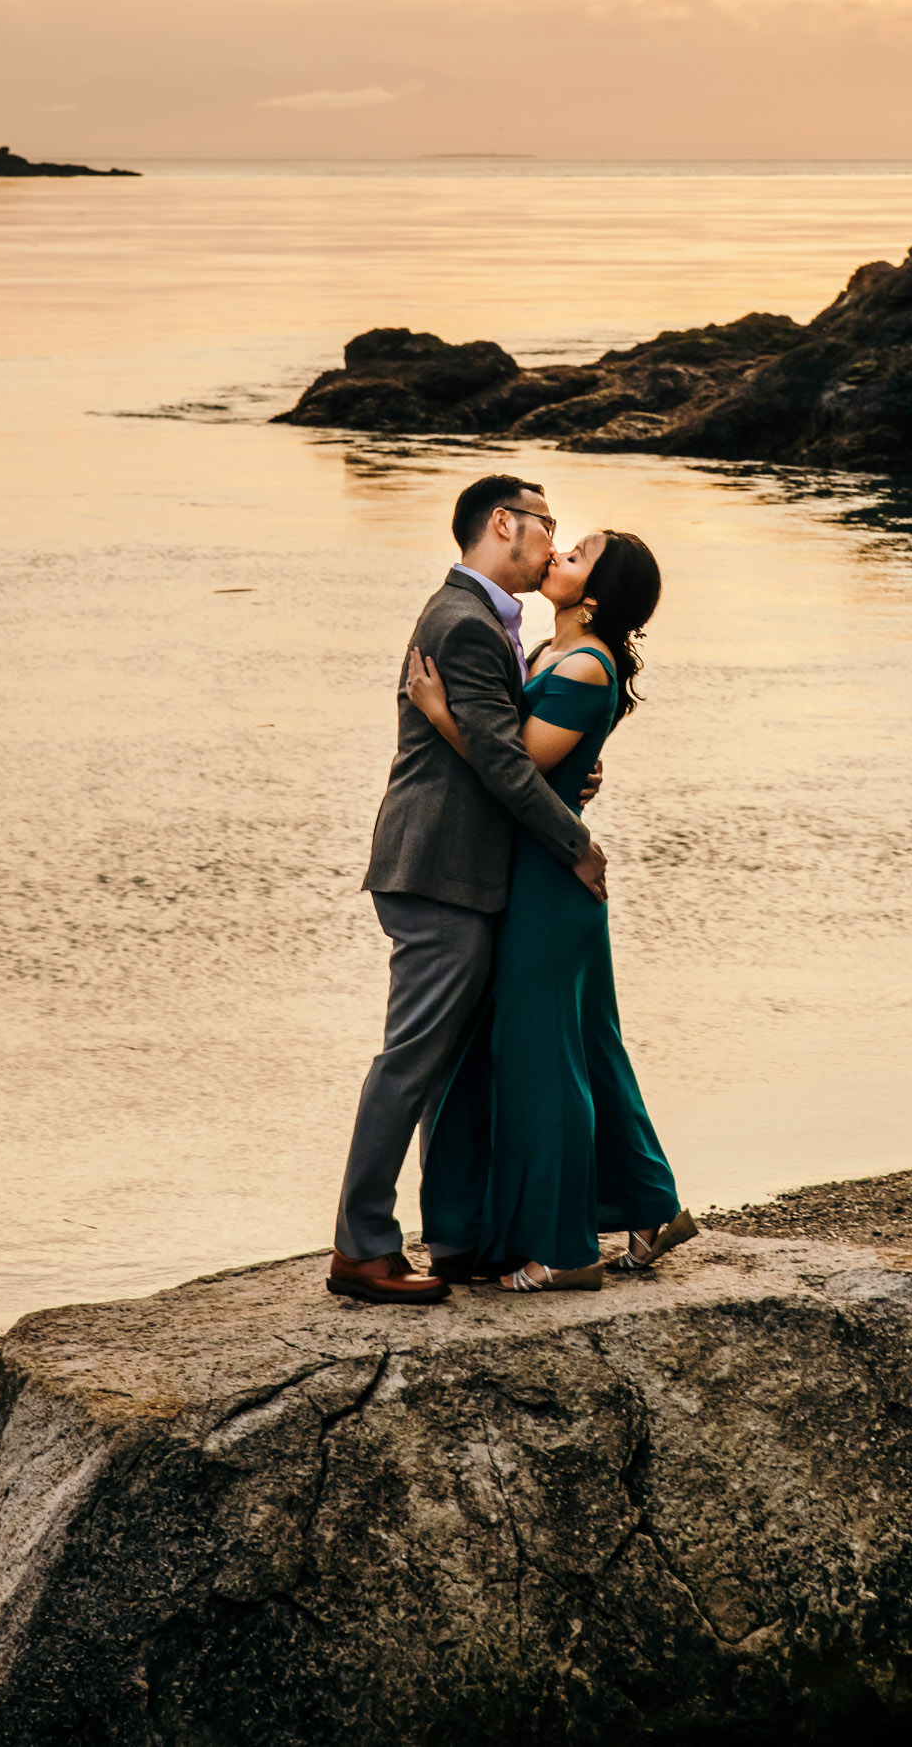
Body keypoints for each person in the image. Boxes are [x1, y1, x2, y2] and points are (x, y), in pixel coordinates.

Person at [328, 473, 608, 1306]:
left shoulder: (485, 619)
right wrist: (573, 844)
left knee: (442, 1064)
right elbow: (492, 756)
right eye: (544, 525)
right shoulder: (464, 621)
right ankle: (362, 1251)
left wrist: (560, 779)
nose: (553, 542)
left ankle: (453, 1235)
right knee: (411, 1059)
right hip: (438, 869)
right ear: (501, 523)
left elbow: (502, 747)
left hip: (454, 867)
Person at [409, 526, 696, 1293]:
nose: (555, 557)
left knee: (543, 1063)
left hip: (547, 885)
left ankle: (567, 1251)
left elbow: (516, 768)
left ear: (593, 597)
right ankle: (650, 1205)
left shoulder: (583, 665)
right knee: (589, 1050)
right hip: (538, 875)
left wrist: (440, 716)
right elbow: (556, 762)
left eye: (573, 558)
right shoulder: (549, 655)